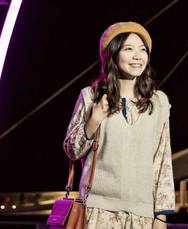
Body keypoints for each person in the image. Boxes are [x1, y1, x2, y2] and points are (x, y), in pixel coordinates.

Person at [64, 21, 174, 229]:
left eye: (143, 50)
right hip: (97, 211)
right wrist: (93, 121)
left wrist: (160, 217)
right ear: (112, 54)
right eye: (129, 49)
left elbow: (163, 162)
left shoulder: (158, 102)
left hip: (142, 215)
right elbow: (72, 151)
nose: (138, 56)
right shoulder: (91, 96)